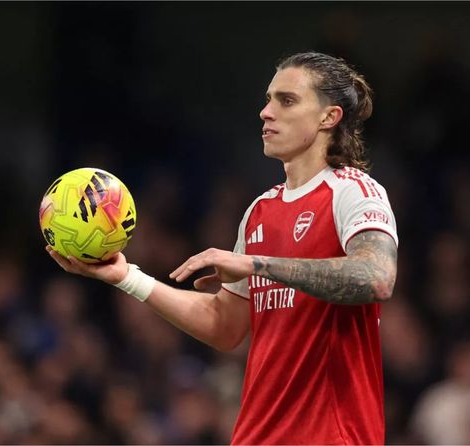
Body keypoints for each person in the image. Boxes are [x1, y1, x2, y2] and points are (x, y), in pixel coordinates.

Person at [47, 51, 399, 445]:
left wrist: (257, 265)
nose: (266, 112)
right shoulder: (260, 212)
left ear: (328, 117)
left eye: (286, 100)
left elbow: (376, 278)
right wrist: (127, 276)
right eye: (268, 99)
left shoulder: (354, 192)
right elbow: (224, 326)